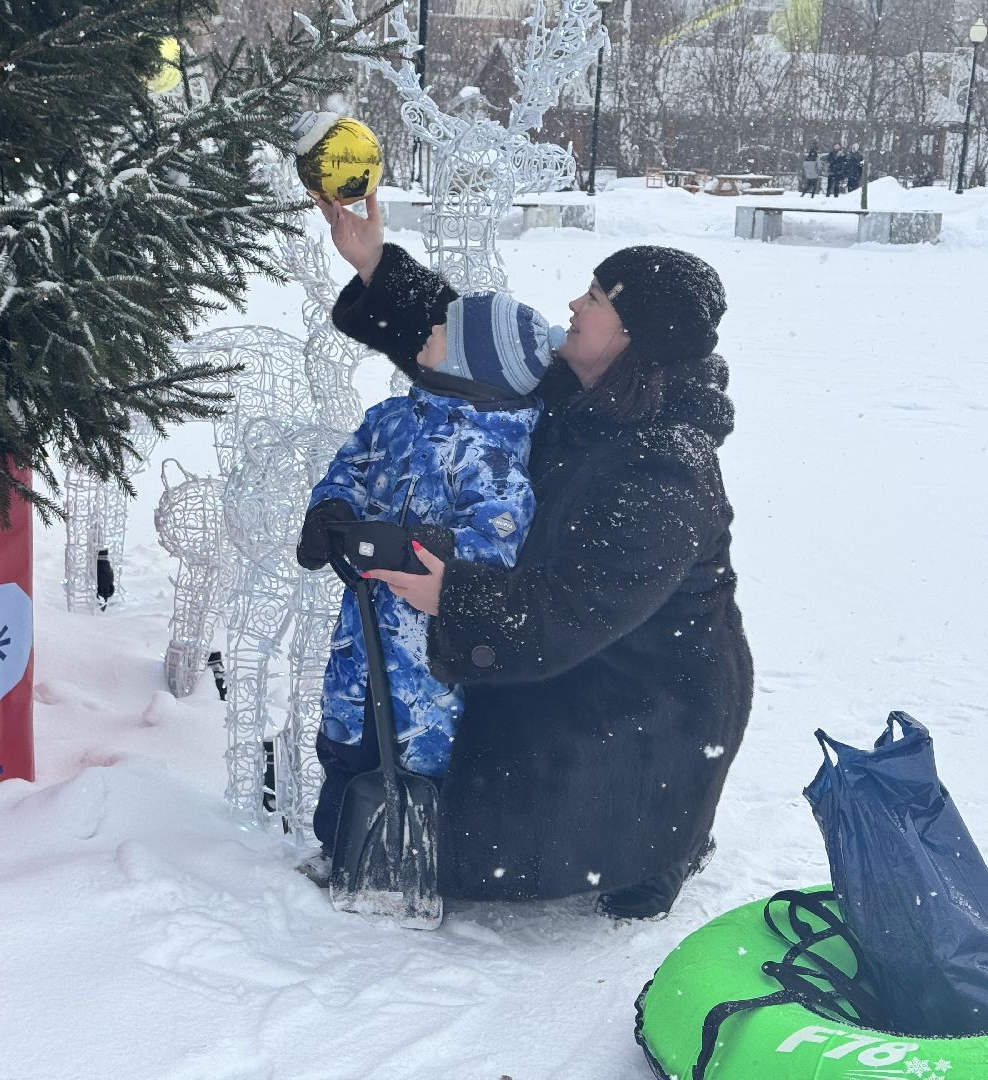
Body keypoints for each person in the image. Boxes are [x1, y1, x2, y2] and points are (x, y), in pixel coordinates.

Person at [314, 192, 754, 920]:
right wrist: (375, 269)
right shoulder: (589, 390)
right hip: (576, 653)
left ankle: (655, 846)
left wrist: (452, 596)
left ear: (633, 335)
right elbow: (470, 348)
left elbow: (569, 610)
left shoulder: (663, 467)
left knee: (503, 827)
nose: (575, 305)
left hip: (644, 700)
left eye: (597, 297)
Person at [296, 284, 558, 873]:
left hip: (428, 659)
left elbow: (497, 542)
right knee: (344, 742)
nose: (425, 336)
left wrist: (422, 548)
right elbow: (352, 467)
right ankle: (337, 847)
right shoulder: (391, 417)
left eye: (441, 331)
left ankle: (413, 864)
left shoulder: (493, 455)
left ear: (473, 363)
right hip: (361, 628)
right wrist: (332, 508)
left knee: (416, 757)